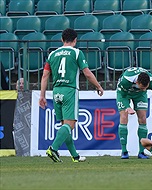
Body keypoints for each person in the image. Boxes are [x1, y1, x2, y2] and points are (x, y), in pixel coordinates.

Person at [39, 28, 104, 163]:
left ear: (62, 40)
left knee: (65, 125)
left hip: (56, 91)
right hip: (69, 90)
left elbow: (45, 76)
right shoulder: (76, 53)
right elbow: (87, 73)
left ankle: (75, 156)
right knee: (70, 125)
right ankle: (53, 148)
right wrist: (98, 86)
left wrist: (42, 96)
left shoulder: (52, 54)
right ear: (75, 40)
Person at [116, 67, 152, 159]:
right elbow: (122, 95)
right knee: (123, 117)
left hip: (139, 96)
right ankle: (124, 151)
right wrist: (128, 107)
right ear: (137, 82)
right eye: (142, 87)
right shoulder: (126, 80)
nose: (144, 89)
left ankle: (141, 152)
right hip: (124, 94)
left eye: (146, 88)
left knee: (143, 119)